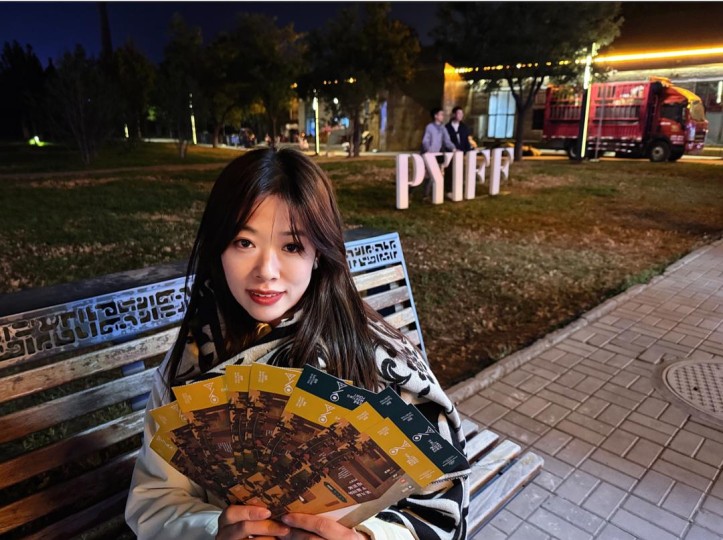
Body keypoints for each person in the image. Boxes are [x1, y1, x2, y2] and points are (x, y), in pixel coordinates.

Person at [125, 148, 470, 540]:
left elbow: (438, 500)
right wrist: (214, 532)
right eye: (243, 242)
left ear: (319, 253)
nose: (266, 271)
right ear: (217, 247)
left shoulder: (374, 358)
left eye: (291, 246)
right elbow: (156, 500)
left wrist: (366, 536)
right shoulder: (190, 361)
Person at [421, 107, 455, 199]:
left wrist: (453, 148)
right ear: (436, 116)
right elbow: (425, 141)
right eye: (441, 114)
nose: (443, 116)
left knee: (434, 173)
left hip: (437, 154)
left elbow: (447, 141)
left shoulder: (443, 128)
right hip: (429, 154)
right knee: (426, 174)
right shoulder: (429, 127)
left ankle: (431, 194)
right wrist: (428, 150)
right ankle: (424, 194)